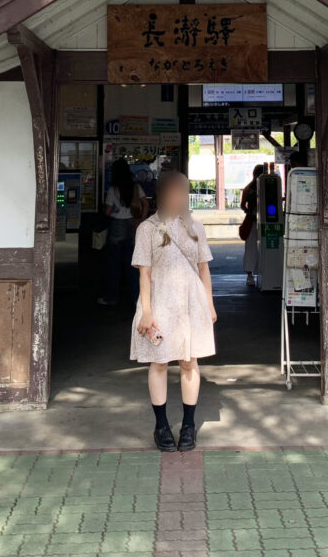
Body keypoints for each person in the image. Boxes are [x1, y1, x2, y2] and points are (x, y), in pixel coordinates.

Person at [130, 170, 217, 452]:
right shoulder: (147, 229)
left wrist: (210, 305)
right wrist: (146, 311)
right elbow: (144, 274)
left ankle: (189, 425)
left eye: (182, 192)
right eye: (173, 192)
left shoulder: (196, 227)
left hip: (192, 304)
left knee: (189, 362)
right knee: (159, 363)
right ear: (162, 195)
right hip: (160, 302)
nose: (178, 197)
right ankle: (161, 425)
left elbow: (204, 269)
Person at [98, 158, 149, 306]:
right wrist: (141, 220)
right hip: (133, 225)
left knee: (113, 265)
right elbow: (145, 203)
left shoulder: (113, 189)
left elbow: (107, 211)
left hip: (117, 226)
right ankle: (136, 299)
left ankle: (111, 298)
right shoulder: (135, 187)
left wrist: (106, 209)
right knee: (132, 265)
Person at [240, 164, 263, 286]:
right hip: (261, 221)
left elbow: (242, 205)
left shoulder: (248, 188)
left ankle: (250, 275)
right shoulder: (252, 188)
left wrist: (248, 211)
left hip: (252, 220)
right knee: (262, 247)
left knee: (250, 248)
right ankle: (257, 273)